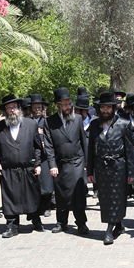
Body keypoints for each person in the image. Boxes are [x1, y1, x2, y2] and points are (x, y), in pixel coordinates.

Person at [87, 91, 134, 245]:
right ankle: (119, 225)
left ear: (114, 108)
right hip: (101, 167)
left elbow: (130, 150)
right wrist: (90, 171)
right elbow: (91, 149)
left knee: (117, 197)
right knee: (105, 199)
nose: (105, 110)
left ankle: (109, 230)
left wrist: (132, 172)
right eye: (103, 107)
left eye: (108, 107)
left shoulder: (123, 124)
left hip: (119, 167)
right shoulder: (95, 125)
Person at [0, 94, 44, 238]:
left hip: (28, 168)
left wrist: (38, 164)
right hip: (8, 170)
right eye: (9, 108)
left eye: (14, 107)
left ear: (19, 108)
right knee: (10, 199)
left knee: (31, 197)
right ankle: (12, 226)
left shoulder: (31, 124)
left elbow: (38, 147)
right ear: (5, 111)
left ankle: (35, 220)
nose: (12, 110)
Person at [46, 88, 89, 235]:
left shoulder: (77, 119)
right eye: (64, 104)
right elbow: (49, 146)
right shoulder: (49, 121)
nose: (67, 107)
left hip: (77, 162)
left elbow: (84, 141)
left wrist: (87, 164)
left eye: (69, 103)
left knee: (78, 194)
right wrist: (52, 165)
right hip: (60, 164)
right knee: (61, 194)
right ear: (58, 105)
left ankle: (81, 223)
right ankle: (61, 222)